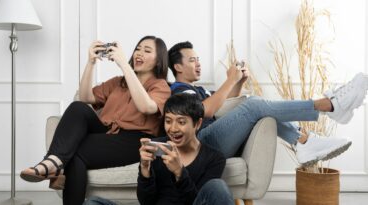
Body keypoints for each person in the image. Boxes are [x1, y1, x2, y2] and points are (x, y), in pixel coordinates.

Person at [20, 36, 171, 205]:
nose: (139, 53)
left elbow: (146, 107)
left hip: (133, 139)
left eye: (147, 50)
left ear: (159, 60)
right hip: (106, 133)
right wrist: (90, 63)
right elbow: (85, 97)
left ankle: (53, 163)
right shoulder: (118, 83)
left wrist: (124, 65)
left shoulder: (161, 86)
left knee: (75, 153)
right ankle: (53, 161)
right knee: (78, 107)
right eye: (138, 48)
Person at [167, 41, 368, 166]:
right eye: (192, 60)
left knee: (256, 107)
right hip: (201, 143)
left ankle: (304, 141)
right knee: (254, 104)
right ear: (177, 66)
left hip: (214, 139)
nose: (198, 63)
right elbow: (208, 111)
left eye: (198, 59)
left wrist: (238, 82)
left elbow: (224, 108)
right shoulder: (179, 91)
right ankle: (329, 105)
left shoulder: (199, 91)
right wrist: (229, 80)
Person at [83, 94, 235, 205]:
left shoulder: (214, 158)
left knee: (217, 186)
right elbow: (146, 202)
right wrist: (144, 170)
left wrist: (179, 173)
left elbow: (196, 201)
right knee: (93, 203)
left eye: (181, 122)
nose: (173, 128)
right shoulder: (157, 147)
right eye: (168, 121)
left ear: (197, 124)